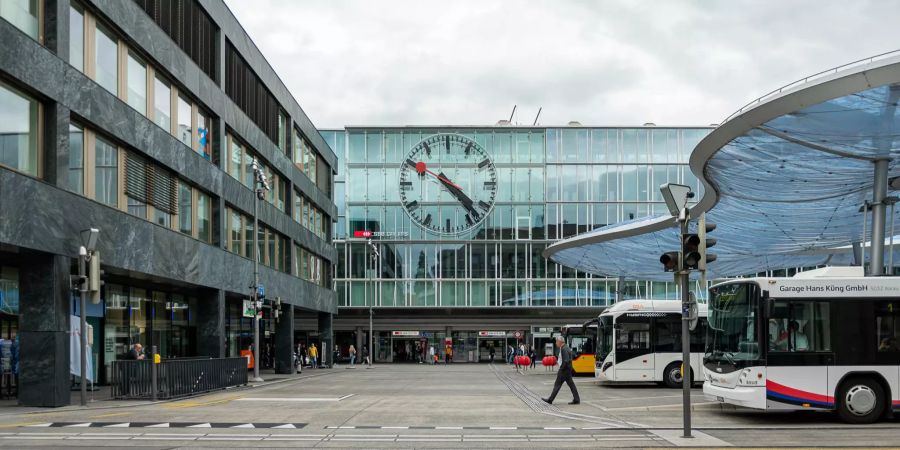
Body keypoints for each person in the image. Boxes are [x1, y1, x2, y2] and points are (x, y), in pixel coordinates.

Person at [542, 336, 580, 405]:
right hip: (567, 370)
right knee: (571, 385)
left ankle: (550, 400)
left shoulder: (564, 349)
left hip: (564, 370)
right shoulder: (565, 347)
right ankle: (576, 399)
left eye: (556, 341)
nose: (556, 343)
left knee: (557, 385)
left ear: (560, 342)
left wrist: (561, 369)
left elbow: (566, 360)